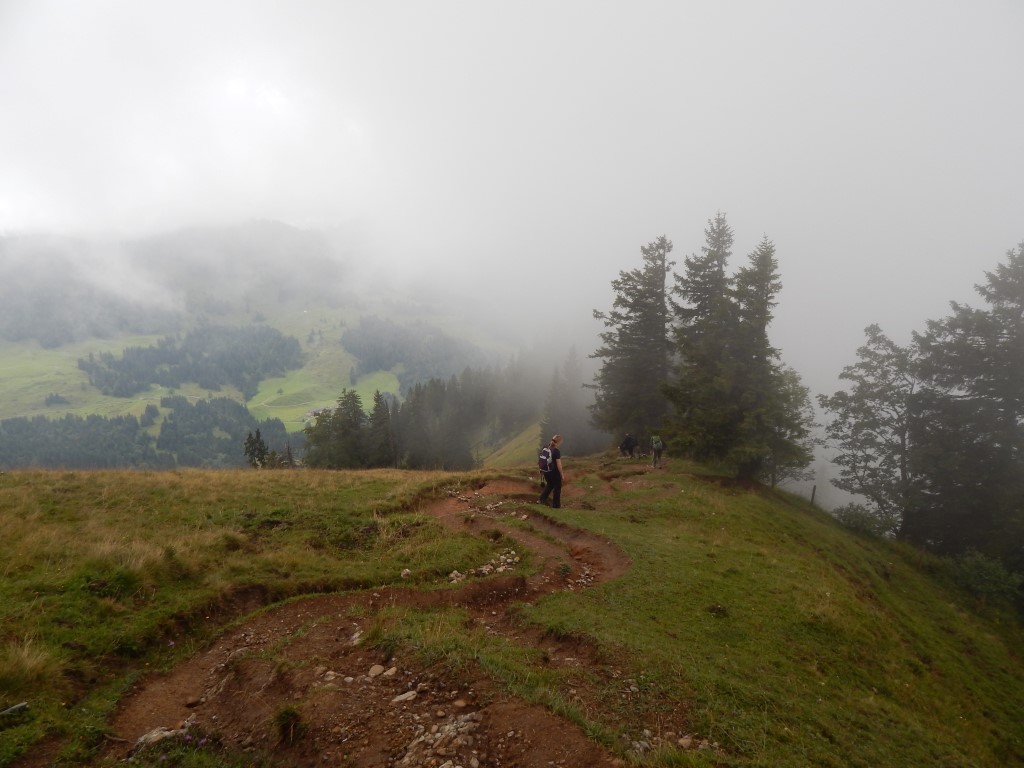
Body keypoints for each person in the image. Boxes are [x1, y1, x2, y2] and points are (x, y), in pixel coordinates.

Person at [537, 434, 564, 508]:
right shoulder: (556, 451)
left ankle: (541, 499)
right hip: (554, 473)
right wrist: (562, 475)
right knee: (557, 488)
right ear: (558, 443)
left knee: (549, 485)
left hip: (546, 471)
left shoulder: (545, 447)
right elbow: (559, 464)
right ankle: (556, 506)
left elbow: (541, 459)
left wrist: (541, 469)